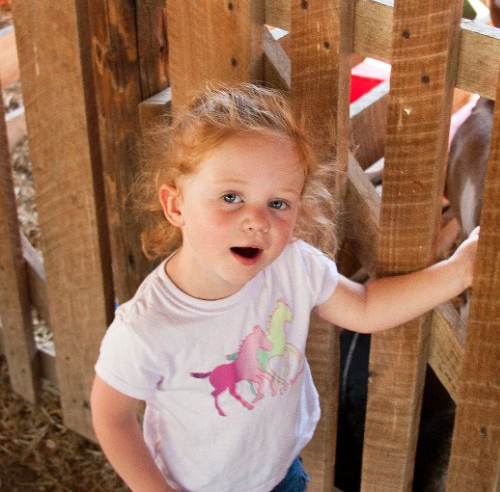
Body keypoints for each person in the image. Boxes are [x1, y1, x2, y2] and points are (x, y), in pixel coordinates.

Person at [90, 83, 479, 492]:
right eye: (230, 197)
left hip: (280, 474)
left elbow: (364, 308)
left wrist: (457, 272)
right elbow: (111, 416)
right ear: (176, 206)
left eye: (278, 203)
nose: (257, 220)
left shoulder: (293, 266)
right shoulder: (147, 326)